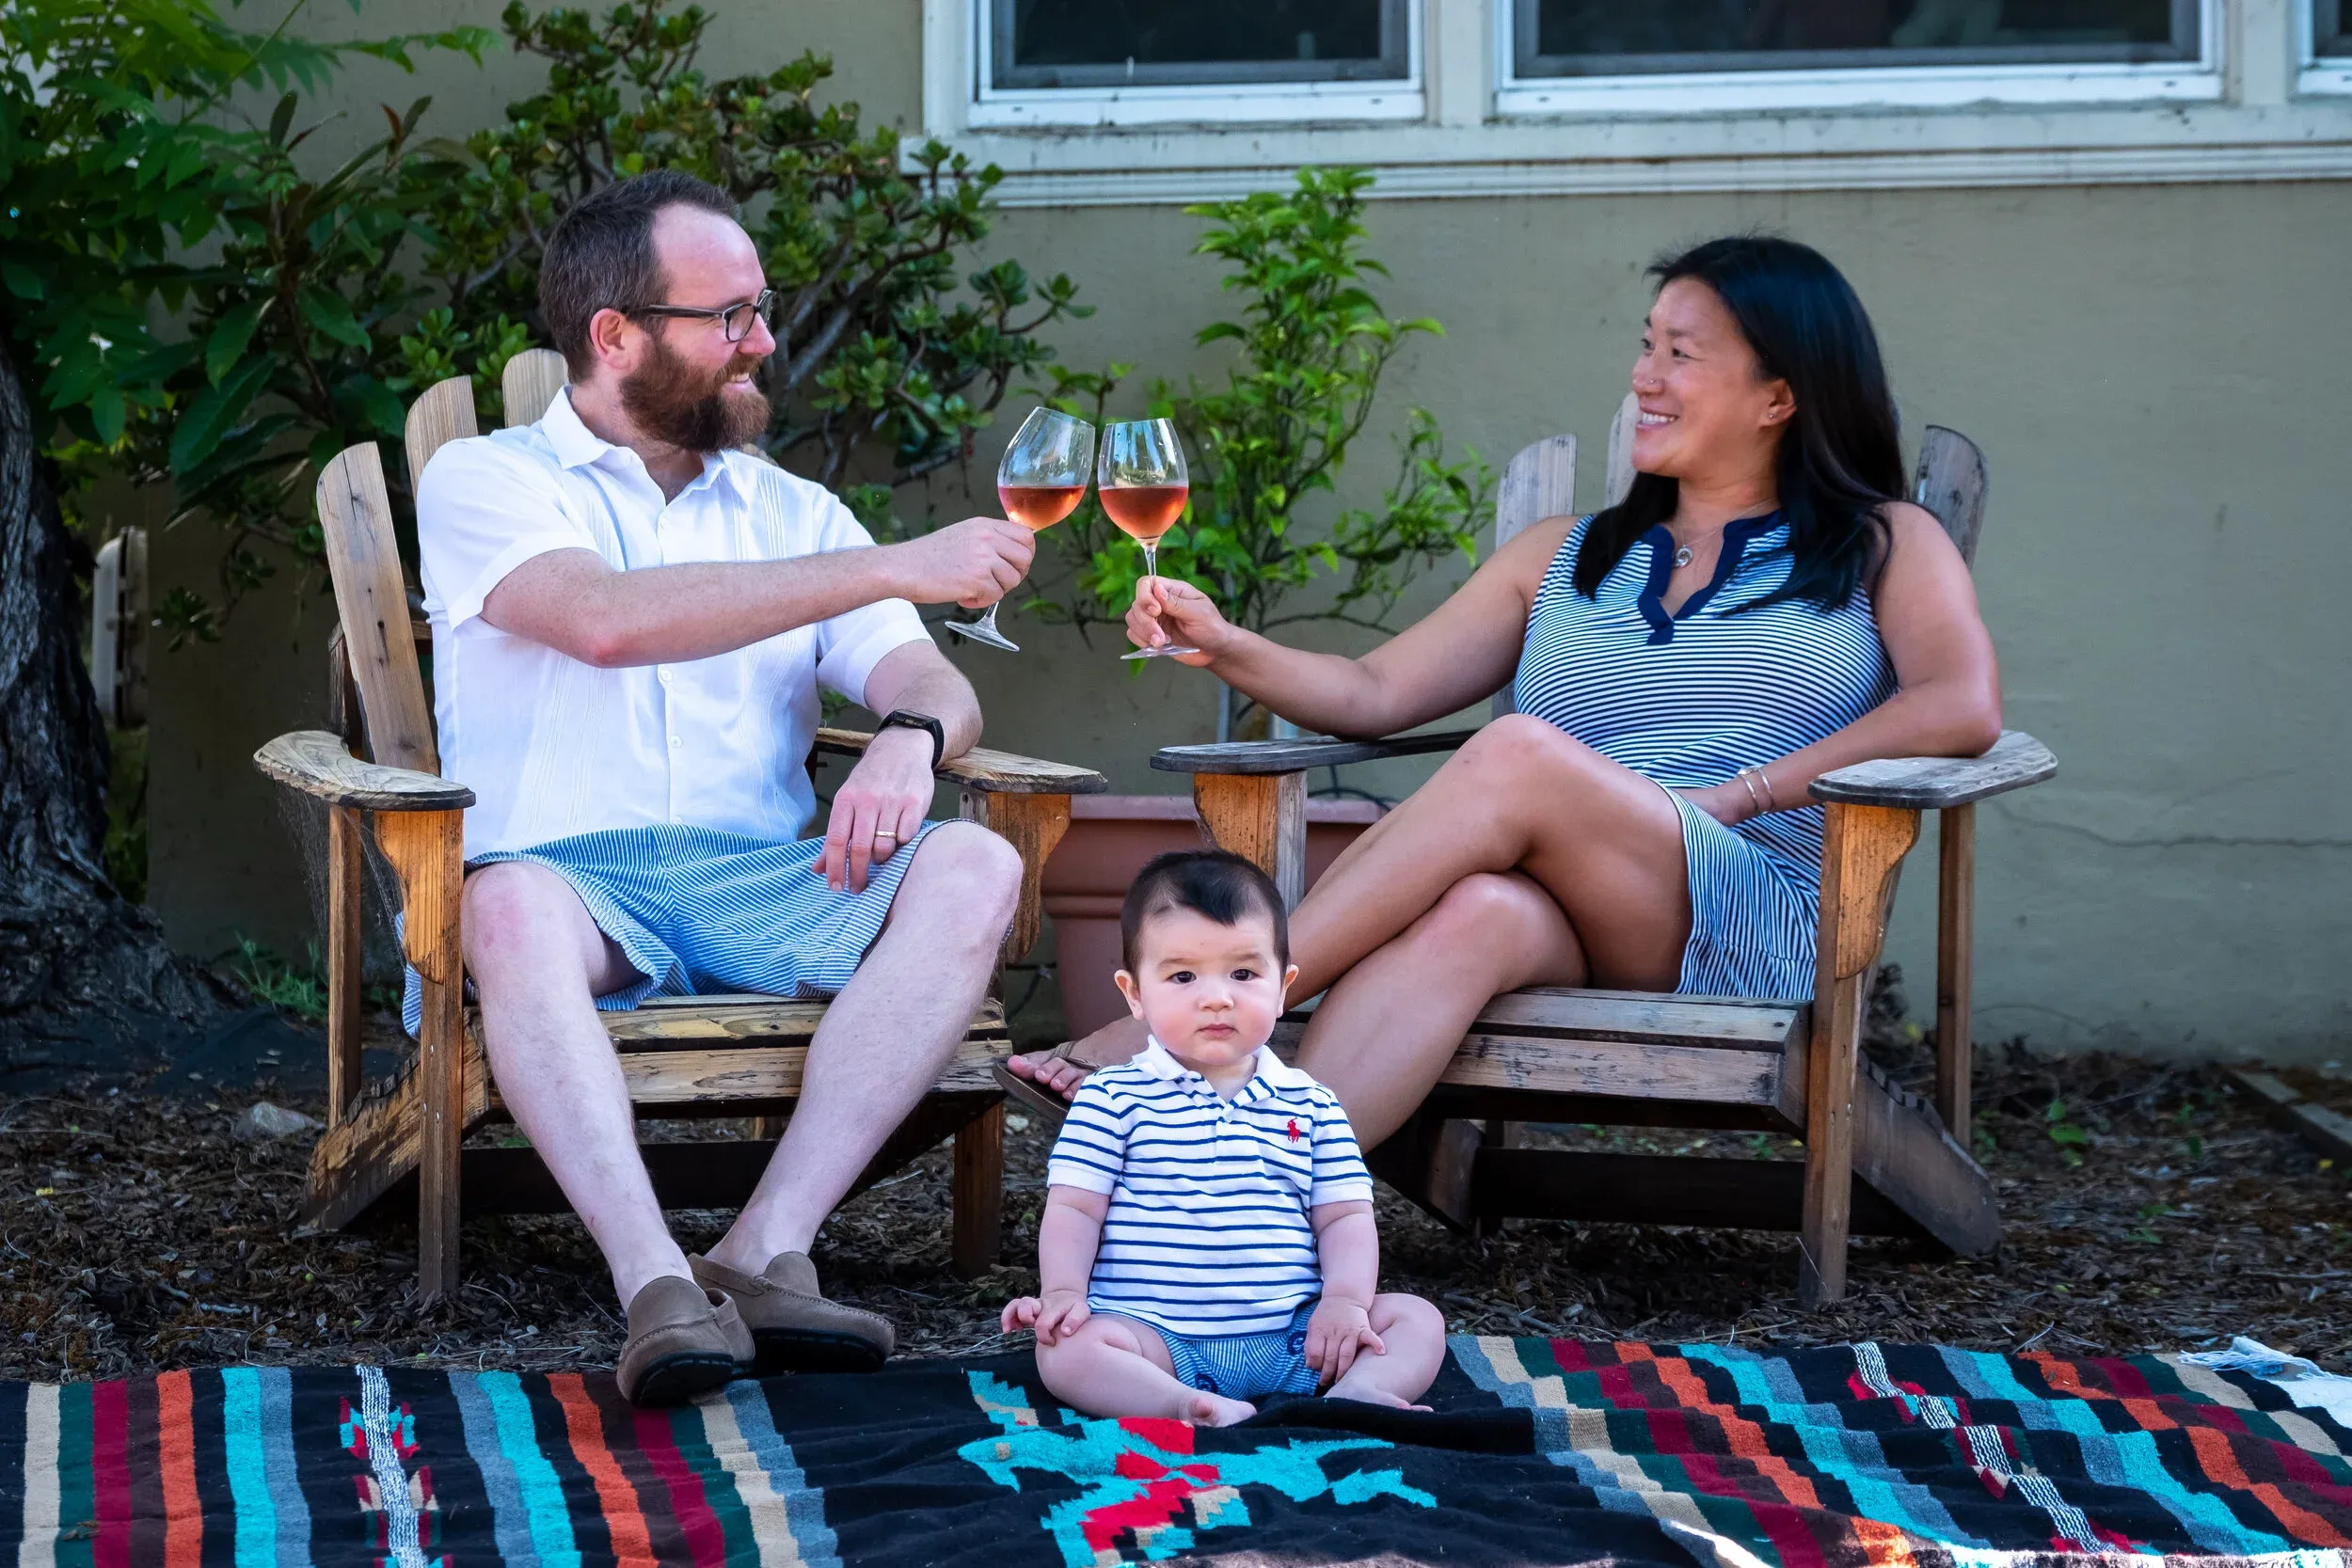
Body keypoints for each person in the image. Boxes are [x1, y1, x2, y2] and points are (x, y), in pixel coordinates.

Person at [1008, 235, 2003, 1164]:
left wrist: (1742, 795)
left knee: (1514, 751)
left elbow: (1961, 704)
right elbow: (1374, 691)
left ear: (1777, 396)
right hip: (1571, 912)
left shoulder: (1882, 542)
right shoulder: (1564, 554)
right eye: (1644, 345)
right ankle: (1260, 1199)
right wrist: (1226, 643)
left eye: (1681, 354)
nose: (1644, 377)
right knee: (1475, 911)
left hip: (1752, 914)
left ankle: (1190, 1009)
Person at [416, 169, 1041, 1405]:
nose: (763, 341)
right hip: (570, 882)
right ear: (617, 337)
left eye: (765, 310)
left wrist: (915, 729)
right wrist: (888, 562)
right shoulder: (487, 482)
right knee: (500, 907)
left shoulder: (795, 509)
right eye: (732, 317)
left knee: (978, 858)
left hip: (763, 881)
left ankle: (762, 1247)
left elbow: (925, 674)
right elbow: (599, 620)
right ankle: (656, 1282)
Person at [999, 851, 1446, 1426]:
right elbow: (1075, 1209)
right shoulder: (1111, 1099)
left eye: (1244, 973)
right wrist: (1062, 1291)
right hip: (1156, 1341)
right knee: (1065, 1351)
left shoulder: (1312, 1104)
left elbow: (1344, 1218)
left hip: (1295, 1337)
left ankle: (1356, 1394)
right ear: (1135, 995)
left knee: (1414, 1319)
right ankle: (1185, 1405)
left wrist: (1344, 1302)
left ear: (1283, 988)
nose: (1217, 997)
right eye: (1183, 976)